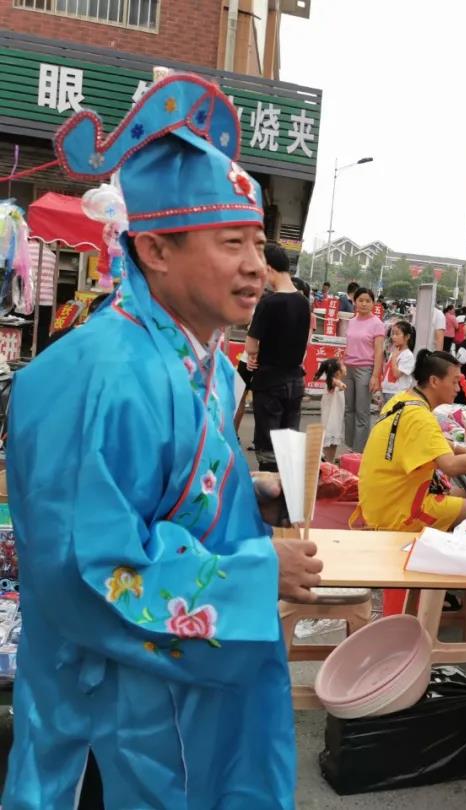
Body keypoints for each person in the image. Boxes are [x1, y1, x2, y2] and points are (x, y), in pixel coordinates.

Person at [3, 74, 322, 808]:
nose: (254, 266)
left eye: (256, 243)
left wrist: (253, 488)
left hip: (183, 696)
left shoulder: (198, 359)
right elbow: (87, 573)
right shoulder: (96, 374)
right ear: (154, 251)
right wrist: (254, 573)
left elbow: (174, 487)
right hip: (114, 721)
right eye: (230, 242)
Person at [357, 350, 466, 531]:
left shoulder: (403, 399)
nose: (458, 389)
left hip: (380, 500)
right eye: (455, 382)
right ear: (434, 381)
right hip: (397, 512)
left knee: (462, 492)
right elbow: (451, 466)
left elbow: (430, 441)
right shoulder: (420, 418)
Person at [245, 241, 311, 471]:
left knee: (269, 449)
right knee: (289, 446)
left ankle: (270, 501)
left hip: (270, 382)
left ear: (269, 268)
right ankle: (287, 498)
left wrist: (255, 354)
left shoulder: (269, 302)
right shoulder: (304, 302)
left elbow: (251, 346)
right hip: (295, 381)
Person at [343, 287, 385, 451]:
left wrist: (375, 376)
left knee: (362, 412)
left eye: (368, 301)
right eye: (361, 300)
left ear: (373, 303)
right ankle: (349, 447)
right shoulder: (352, 321)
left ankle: (359, 451)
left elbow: (379, 352)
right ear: (355, 302)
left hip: (365, 370)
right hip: (348, 368)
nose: (364, 304)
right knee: (348, 410)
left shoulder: (377, 324)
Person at [314, 357, 346, 463]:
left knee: (333, 444)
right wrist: (340, 384)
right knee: (328, 446)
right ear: (337, 372)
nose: (345, 367)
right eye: (343, 366)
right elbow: (335, 382)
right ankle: (325, 464)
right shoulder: (332, 382)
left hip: (335, 421)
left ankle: (329, 464)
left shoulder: (333, 382)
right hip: (330, 422)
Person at [382, 320, 417, 400]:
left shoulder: (408, 355)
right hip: (387, 391)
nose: (393, 337)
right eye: (393, 334)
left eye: (397, 334)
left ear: (407, 337)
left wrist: (394, 358)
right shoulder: (395, 352)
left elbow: (397, 374)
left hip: (397, 393)